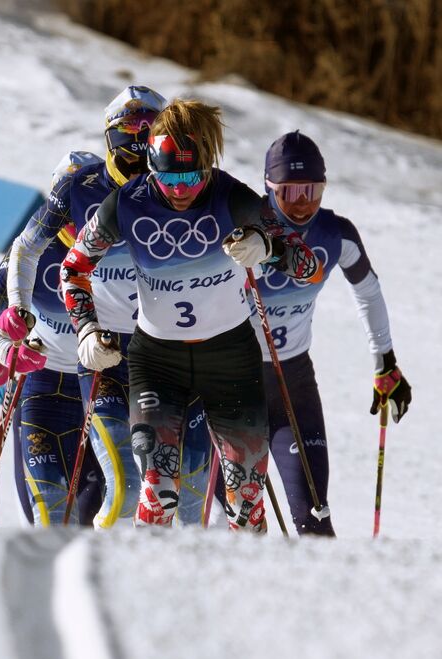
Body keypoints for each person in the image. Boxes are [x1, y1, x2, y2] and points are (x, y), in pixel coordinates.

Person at [61, 99, 321, 531]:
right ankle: (147, 581)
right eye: (166, 177)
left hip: (230, 357)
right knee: (158, 489)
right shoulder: (125, 203)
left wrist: (269, 247)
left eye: (190, 177)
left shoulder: (231, 196)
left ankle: (249, 587)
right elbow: (74, 269)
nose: (179, 190)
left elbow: (308, 266)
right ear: (149, 166)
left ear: (207, 167)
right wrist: (87, 331)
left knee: (246, 498)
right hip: (157, 360)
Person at [3, 88, 175, 528]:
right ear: (109, 138)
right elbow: (24, 248)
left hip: (164, 353)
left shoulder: (178, 186)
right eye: (128, 138)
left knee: (171, 496)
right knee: (125, 488)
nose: (138, 149)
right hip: (102, 354)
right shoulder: (81, 188)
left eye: (149, 136)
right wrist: (19, 310)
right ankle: (90, 574)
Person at [250, 130, 411, 535]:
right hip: (232, 383)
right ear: (268, 189)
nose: (303, 204)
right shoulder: (243, 228)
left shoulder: (335, 234)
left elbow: (368, 292)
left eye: (313, 191)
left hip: (294, 382)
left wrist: (385, 361)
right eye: (290, 193)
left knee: (314, 521)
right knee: (235, 525)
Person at [0, 152, 115, 526]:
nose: (70, 221)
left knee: (93, 524)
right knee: (47, 523)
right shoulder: (33, 253)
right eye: (62, 210)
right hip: (43, 390)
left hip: (103, 389)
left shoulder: (120, 248)